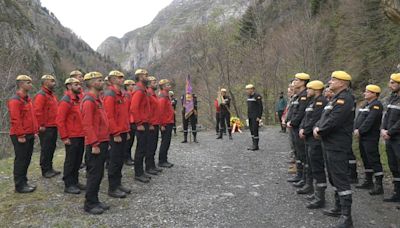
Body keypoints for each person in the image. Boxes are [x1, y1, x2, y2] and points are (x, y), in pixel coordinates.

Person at [313, 71, 354, 228]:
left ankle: (346, 216)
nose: (329, 82)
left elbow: (335, 120)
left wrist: (320, 131)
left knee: (340, 178)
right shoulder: (335, 98)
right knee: (333, 177)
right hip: (329, 142)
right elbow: (324, 117)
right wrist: (318, 127)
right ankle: (338, 207)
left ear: (343, 83)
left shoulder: (345, 99)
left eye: (333, 80)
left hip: (337, 144)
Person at [81, 72, 110, 215]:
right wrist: (94, 144)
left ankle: (95, 200)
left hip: (102, 141)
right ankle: (90, 204)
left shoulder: (98, 99)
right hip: (96, 143)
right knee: (94, 174)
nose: (102, 82)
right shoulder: (89, 101)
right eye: (99, 80)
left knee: (99, 174)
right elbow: (87, 125)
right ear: (91, 83)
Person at [299, 80, 328, 208]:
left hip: (314, 139)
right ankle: (315, 192)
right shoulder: (312, 101)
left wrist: (305, 130)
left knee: (317, 166)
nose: (307, 91)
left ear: (316, 90)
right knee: (311, 164)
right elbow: (306, 118)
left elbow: (315, 119)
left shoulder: (321, 102)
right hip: (308, 137)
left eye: (309, 89)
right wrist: (301, 128)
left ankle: (320, 198)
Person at [103, 70, 131, 198]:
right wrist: (115, 133)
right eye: (119, 77)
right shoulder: (110, 94)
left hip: (123, 131)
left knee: (120, 159)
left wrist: (127, 130)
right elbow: (109, 116)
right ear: (112, 80)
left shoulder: (122, 94)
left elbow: (124, 115)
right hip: (116, 133)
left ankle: (118, 184)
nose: (122, 79)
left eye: (122, 77)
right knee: (114, 160)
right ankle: (112, 188)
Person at [8, 75, 38, 193]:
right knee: (21, 160)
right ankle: (19, 186)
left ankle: (24, 181)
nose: (30, 84)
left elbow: (32, 117)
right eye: (28, 83)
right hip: (20, 135)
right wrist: (20, 135)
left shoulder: (27, 100)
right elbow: (15, 119)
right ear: (21, 84)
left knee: (27, 159)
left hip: (29, 133)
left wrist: (34, 131)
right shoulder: (15, 100)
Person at [56, 78, 86, 194]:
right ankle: (68, 184)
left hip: (80, 134)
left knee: (78, 160)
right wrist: (64, 137)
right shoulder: (66, 100)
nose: (79, 86)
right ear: (69, 86)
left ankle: (75, 181)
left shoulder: (79, 99)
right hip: (72, 136)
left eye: (79, 84)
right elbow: (60, 120)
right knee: (71, 160)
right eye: (76, 84)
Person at [354, 85, 384, 195]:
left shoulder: (376, 105)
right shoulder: (366, 104)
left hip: (370, 137)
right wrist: (356, 129)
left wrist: (360, 130)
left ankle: (379, 185)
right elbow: (359, 119)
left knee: (373, 158)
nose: (365, 93)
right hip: (362, 136)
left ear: (374, 94)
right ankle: (368, 180)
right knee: (365, 158)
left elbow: (369, 121)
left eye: (368, 92)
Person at [34, 74, 60, 178]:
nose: (54, 83)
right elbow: (37, 111)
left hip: (53, 125)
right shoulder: (41, 95)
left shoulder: (51, 95)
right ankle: (45, 170)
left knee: (51, 147)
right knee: (46, 148)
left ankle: (50, 168)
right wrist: (41, 125)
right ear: (45, 82)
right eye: (51, 81)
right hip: (46, 127)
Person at [287, 73, 310, 186]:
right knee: (298, 153)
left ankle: (305, 178)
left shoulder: (304, 95)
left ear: (303, 82)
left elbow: (301, 112)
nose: (294, 82)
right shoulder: (298, 95)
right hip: (294, 127)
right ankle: (300, 175)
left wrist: (293, 122)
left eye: (297, 80)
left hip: (299, 127)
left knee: (302, 153)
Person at [130, 69, 152, 183]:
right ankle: (138, 173)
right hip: (141, 124)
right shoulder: (138, 91)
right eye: (145, 75)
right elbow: (134, 108)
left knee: (143, 148)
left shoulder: (143, 90)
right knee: (140, 149)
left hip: (145, 122)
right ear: (139, 76)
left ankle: (141, 172)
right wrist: (138, 123)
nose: (147, 77)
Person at [381, 73, 400, 203]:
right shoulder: (393, 98)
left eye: (393, 82)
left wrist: (390, 132)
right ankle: (397, 193)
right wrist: (383, 129)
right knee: (393, 166)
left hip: (397, 137)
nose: (390, 84)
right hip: (389, 137)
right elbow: (386, 116)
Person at [145, 76, 163, 175]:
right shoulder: (148, 94)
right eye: (153, 82)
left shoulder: (153, 94)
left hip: (155, 123)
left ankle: (152, 165)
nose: (156, 83)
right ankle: (148, 166)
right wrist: (150, 123)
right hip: (151, 124)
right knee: (150, 146)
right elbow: (148, 110)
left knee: (154, 146)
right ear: (148, 84)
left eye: (156, 81)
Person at [158, 79, 175, 168]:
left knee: (167, 142)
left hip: (169, 121)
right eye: (167, 85)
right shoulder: (162, 96)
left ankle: (164, 159)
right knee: (165, 142)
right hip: (166, 123)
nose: (169, 86)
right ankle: (162, 161)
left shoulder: (166, 95)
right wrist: (162, 124)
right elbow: (160, 111)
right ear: (163, 86)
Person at [245, 84, 263, 151]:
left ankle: (256, 145)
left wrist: (259, 116)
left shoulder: (257, 96)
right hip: (250, 116)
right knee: (251, 130)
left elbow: (260, 107)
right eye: (246, 89)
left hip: (255, 116)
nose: (247, 91)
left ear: (252, 89)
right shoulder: (248, 97)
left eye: (248, 89)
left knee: (255, 130)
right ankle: (253, 144)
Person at [123, 80, 136, 166]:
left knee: (131, 141)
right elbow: (127, 109)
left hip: (132, 120)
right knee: (128, 141)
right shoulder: (127, 95)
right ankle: (126, 158)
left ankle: (128, 157)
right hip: (129, 120)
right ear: (127, 86)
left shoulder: (132, 94)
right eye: (132, 85)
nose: (133, 86)